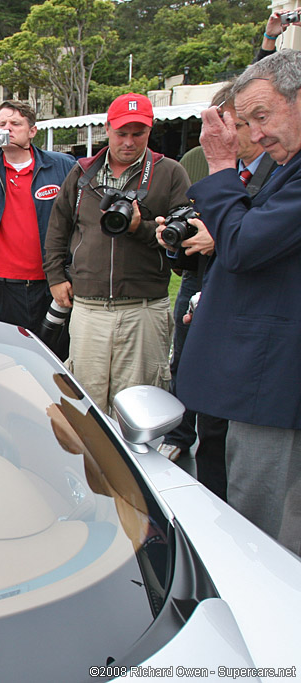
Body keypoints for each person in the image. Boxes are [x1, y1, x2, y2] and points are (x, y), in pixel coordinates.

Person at [173, 50, 301, 553]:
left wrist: (222, 166)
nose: (257, 134)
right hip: (258, 376)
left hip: (274, 386)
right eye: (245, 122)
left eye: (262, 117)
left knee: (262, 536)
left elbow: (245, 245)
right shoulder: (281, 169)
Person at [158, 85, 276, 485]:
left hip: (247, 322)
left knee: (228, 432)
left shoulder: (277, 171)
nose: (223, 135)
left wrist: (221, 236)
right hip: (201, 289)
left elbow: (249, 241)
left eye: (234, 124)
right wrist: (181, 239)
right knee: (203, 409)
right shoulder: (218, 168)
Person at [43, 93, 190, 415]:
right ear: (107, 129)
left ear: (150, 132)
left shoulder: (170, 173)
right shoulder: (82, 174)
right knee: (86, 406)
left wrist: (142, 227)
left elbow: (182, 235)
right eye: (122, 133)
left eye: (138, 134)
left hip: (144, 307)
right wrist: (55, 276)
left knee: (139, 407)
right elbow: (58, 229)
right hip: (89, 308)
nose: (129, 142)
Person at [0, 100, 75, 330]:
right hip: (1, 285)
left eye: (16, 123)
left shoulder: (60, 165)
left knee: (51, 356)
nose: (7, 128)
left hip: (50, 282)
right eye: (2, 123)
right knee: (2, 359)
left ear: (32, 131)